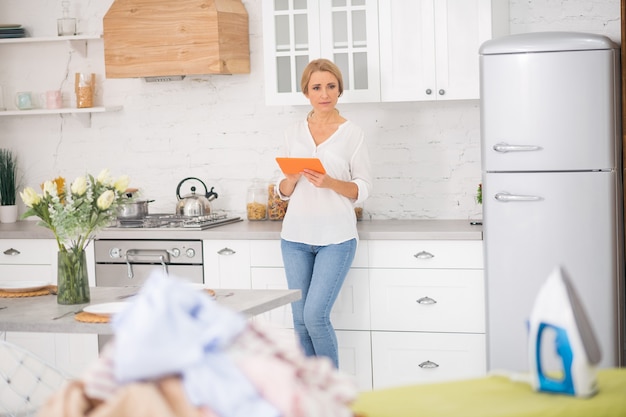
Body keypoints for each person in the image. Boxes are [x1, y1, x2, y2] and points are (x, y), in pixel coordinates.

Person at [276, 58, 372, 368]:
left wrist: (330, 182)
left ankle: (332, 395)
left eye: (331, 86)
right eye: (316, 87)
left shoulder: (352, 133)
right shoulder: (292, 132)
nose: (324, 93)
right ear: (306, 93)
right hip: (295, 238)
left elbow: (363, 189)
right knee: (300, 322)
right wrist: (289, 180)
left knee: (315, 316)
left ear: (339, 90)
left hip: (336, 238)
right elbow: (281, 192)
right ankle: (310, 398)